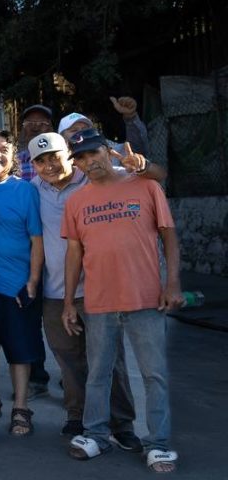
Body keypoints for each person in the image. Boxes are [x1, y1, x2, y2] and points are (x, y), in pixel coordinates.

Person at [61, 128, 183, 473]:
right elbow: (73, 253)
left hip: (145, 299)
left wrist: (172, 283)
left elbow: (169, 236)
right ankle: (96, 435)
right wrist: (69, 302)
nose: (89, 162)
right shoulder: (76, 201)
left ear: (108, 151)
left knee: (153, 375)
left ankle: (158, 444)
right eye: (81, 158)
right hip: (98, 302)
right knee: (97, 374)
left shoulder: (145, 186)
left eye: (93, 153)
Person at [28, 131, 141, 442]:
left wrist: (138, 164)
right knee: (69, 361)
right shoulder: (32, 190)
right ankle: (77, 416)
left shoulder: (95, 177)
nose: (48, 164)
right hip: (56, 293)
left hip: (99, 290)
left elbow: (142, 177)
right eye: (40, 160)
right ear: (33, 166)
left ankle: (123, 424)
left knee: (110, 360)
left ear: (69, 155)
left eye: (53, 156)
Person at [0, 130, 43, 437]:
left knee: (20, 350)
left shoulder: (24, 191)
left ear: (12, 157)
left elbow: (37, 239)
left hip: (16, 286)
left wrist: (33, 281)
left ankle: (21, 407)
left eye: (3, 149)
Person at [16, 104, 55, 181]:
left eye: (42, 123)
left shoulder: (61, 160)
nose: (35, 127)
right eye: (30, 123)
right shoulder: (14, 162)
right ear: (23, 129)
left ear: (50, 128)